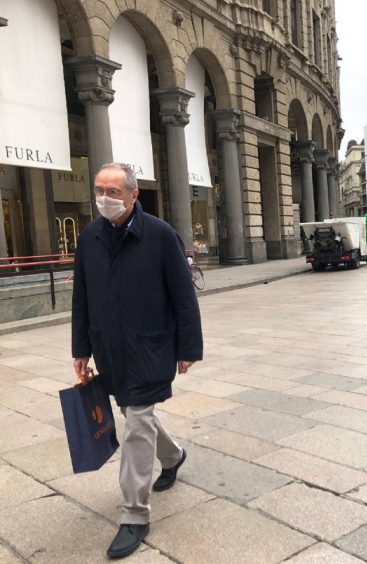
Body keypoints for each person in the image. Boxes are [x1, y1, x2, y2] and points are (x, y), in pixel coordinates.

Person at [71, 163, 203, 560]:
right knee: (133, 413)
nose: (105, 199)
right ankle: (174, 456)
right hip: (109, 349)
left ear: (132, 195)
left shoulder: (161, 236)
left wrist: (187, 349)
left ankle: (134, 514)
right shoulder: (89, 237)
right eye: (99, 190)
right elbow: (81, 298)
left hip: (150, 347)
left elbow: (184, 296)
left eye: (113, 191)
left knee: (138, 422)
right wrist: (80, 349)